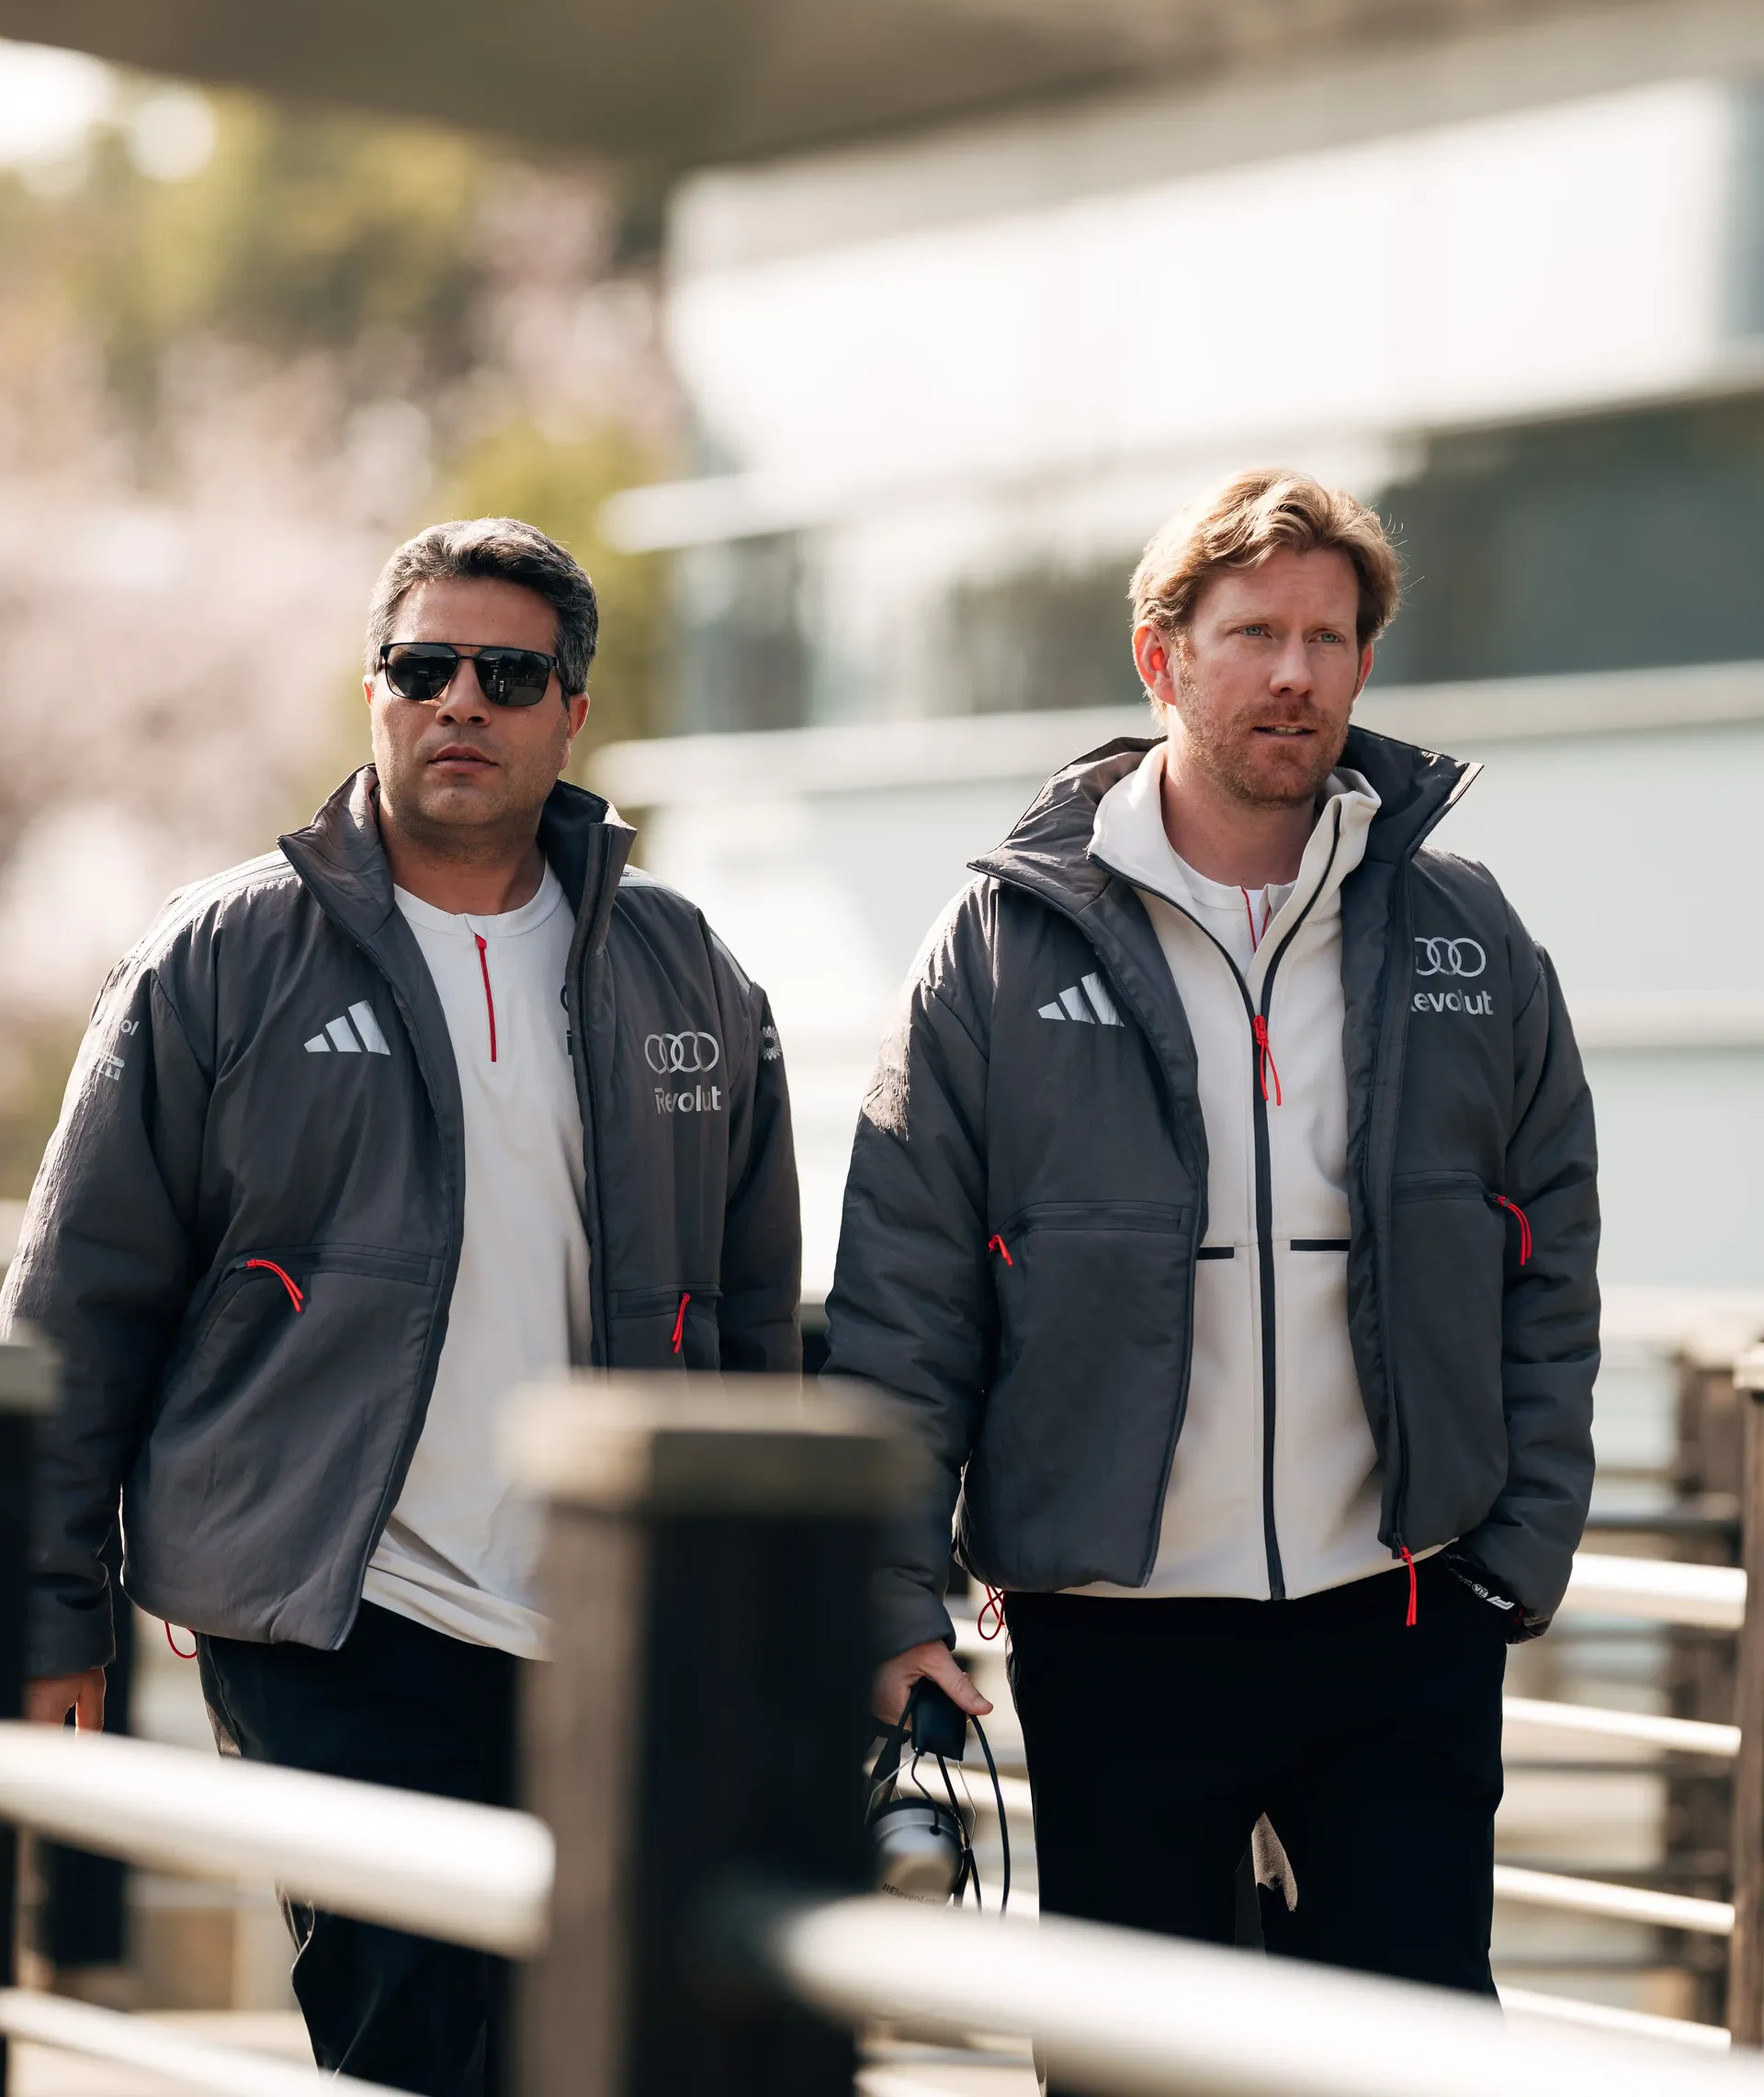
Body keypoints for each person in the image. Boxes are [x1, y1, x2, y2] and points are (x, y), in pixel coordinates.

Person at [3, 517, 799, 2097]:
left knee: (608, 2051)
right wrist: (50, 1614)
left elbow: (757, 1328)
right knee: (409, 2041)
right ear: (371, 691)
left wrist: (773, 1630)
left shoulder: (685, 970)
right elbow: (74, 1311)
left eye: (509, 675)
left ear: (572, 710)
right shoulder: (218, 959)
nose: (462, 703)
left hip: (618, 1637)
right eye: (425, 668)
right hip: (337, 1616)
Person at [825, 469, 1598, 2001]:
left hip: (1404, 1608)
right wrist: (895, 1592)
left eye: (1330, 636)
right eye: (1254, 632)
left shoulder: (1466, 929)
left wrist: (1515, 1551)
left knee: (1420, 2047)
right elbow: (906, 1291)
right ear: (1161, 655)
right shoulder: (996, 943)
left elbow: (1550, 1241)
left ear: (1367, 662)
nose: (1296, 673)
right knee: (1135, 2050)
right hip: (1121, 1628)